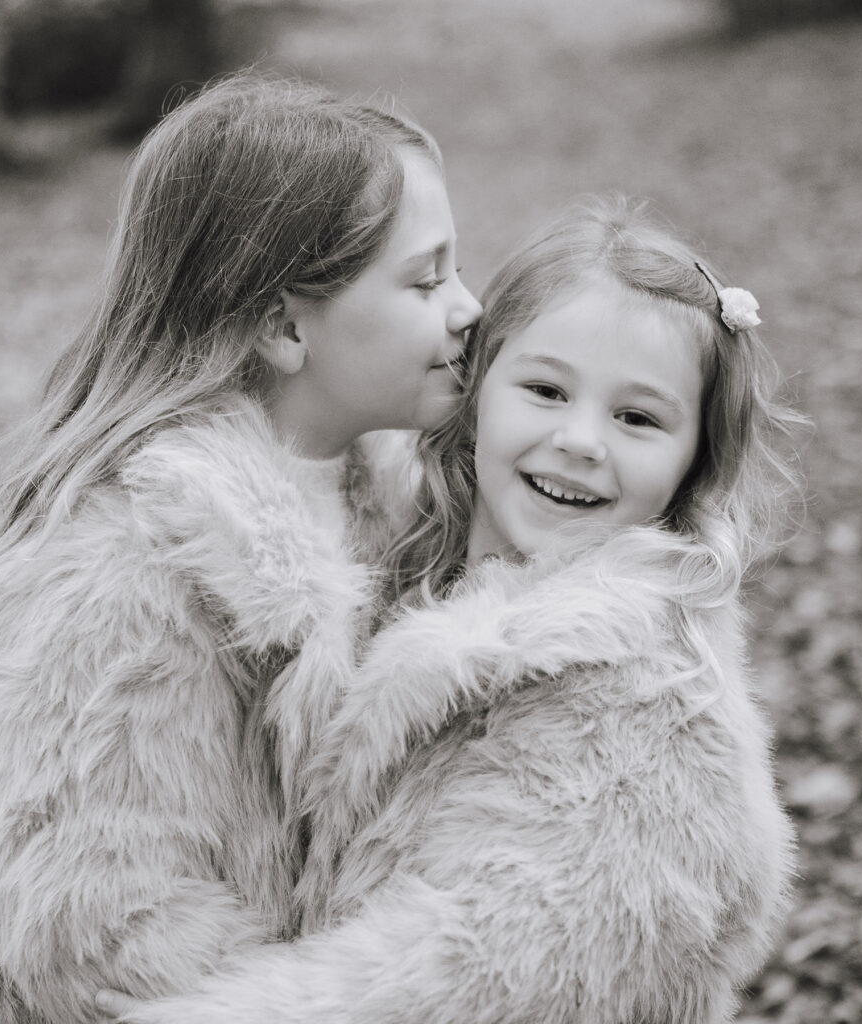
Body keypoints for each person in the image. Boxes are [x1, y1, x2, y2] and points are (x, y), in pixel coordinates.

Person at [97, 196, 803, 1024]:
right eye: (546, 389)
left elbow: (496, 971)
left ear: (694, 463)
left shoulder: (651, 704)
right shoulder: (405, 566)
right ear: (477, 394)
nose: (581, 440)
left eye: (637, 418)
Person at [0, 71, 480, 1023]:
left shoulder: (384, 506)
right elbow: (100, 933)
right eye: (426, 280)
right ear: (284, 326)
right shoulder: (122, 583)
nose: (468, 307)